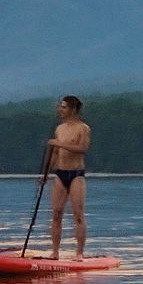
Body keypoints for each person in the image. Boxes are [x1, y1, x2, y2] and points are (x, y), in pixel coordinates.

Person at [45, 95, 90, 259]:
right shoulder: (60, 129)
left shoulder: (83, 128)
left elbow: (82, 149)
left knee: (78, 214)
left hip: (76, 175)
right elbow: (56, 154)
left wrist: (58, 143)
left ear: (73, 109)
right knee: (56, 213)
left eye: (64, 107)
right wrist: (45, 173)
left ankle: (79, 253)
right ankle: (55, 252)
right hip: (60, 173)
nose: (60, 110)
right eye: (60, 107)